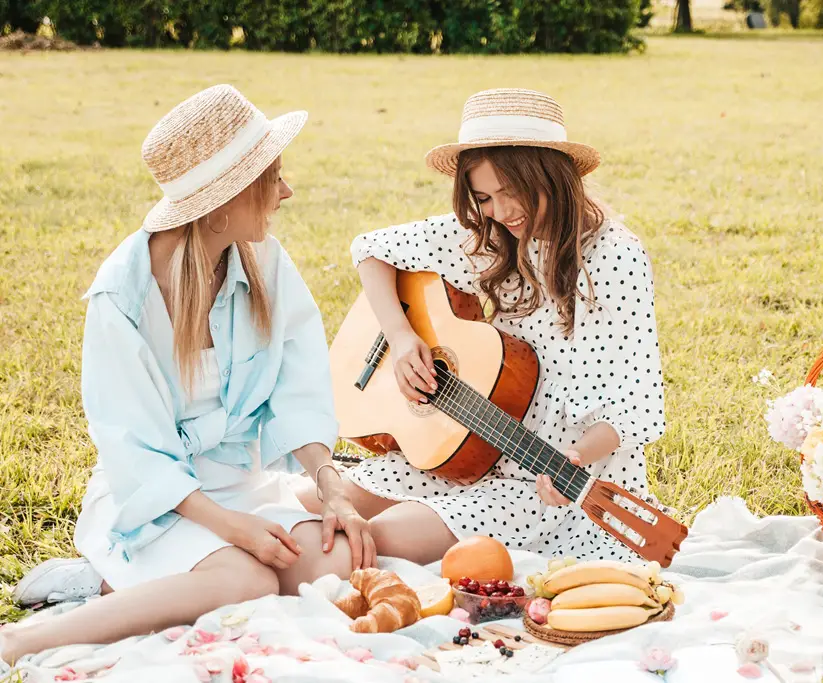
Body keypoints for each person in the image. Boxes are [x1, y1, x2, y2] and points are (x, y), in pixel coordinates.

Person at [1, 84, 374, 667]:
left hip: (240, 485)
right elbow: (135, 451)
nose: (286, 191)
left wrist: (331, 488)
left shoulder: (266, 262)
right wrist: (232, 529)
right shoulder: (121, 298)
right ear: (224, 199)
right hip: (160, 500)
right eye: (271, 178)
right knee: (246, 583)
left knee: (334, 560)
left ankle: (111, 585)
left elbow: (296, 395)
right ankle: (21, 639)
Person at [337, 88, 667, 566]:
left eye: (511, 191)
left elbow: (636, 405)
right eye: (484, 197)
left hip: (547, 482)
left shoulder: (616, 257)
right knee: (324, 504)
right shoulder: (492, 237)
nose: (500, 211)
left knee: (378, 538)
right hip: (470, 445)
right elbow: (370, 250)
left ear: (551, 176)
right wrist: (403, 338)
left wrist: (573, 460)